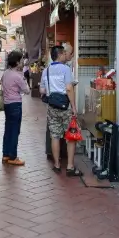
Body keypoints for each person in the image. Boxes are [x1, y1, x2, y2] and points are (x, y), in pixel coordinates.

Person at [40, 45, 81, 177]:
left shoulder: (45, 71)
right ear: (61, 54)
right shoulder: (66, 69)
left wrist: (52, 89)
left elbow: (42, 91)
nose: (66, 56)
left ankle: (57, 165)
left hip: (52, 107)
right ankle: (70, 167)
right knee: (70, 136)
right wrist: (74, 108)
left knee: (55, 136)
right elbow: (69, 88)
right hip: (66, 107)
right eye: (64, 54)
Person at [1, 50, 30, 166]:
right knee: (14, 131)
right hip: (15, 105)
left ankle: (5, 154)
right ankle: (13, 156)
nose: (23, 62)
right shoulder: (18, 76)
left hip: (7, 104)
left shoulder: (6, 73)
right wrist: (24, 79)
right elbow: (27, 90)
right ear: (17, 62)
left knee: (8, 129)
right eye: (21, 60)